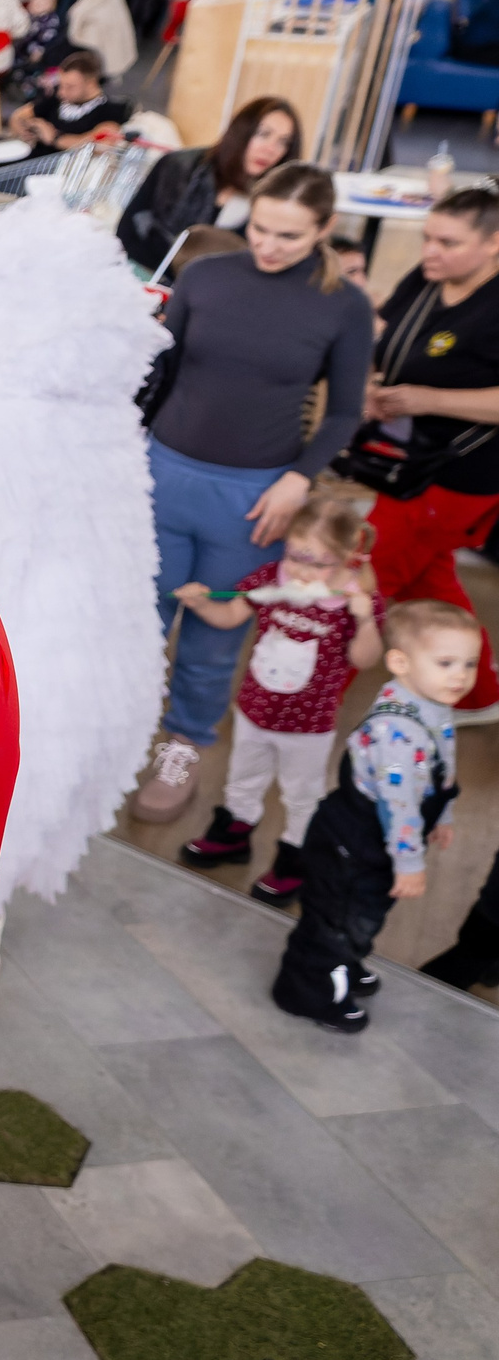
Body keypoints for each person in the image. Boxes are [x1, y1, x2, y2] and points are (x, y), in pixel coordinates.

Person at [133, 163, 376, 821]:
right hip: (161, 474)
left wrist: (297, 479)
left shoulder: (344, 305)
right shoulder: (207, 277)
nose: (268, 245)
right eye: (261, 228)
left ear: (324, 229)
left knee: (214, 635)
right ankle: (114, 738)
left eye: (290, 236)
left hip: (255, 499)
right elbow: (160, 369)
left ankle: (183, 744)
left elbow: (344, 413)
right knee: (134, 622)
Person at [270, 601, 475, 1033]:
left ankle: (346, 956)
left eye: (469, 663)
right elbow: (398, 805)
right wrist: (410, 863)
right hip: (357, 842)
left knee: (363, 912)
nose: (460, 674)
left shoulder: (429, 702)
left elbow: (441, 768)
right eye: (446, 662)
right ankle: (309, 989)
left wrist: (444, 813)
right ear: (400, 662)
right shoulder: (396, 733)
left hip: (376, 841)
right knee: (337, 917)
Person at [344, 186, 499, 724]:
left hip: (459, 473)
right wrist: (368, 385)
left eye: (448, 242)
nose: (430, 251)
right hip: (405, 461)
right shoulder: (428, 278)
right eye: (427, 237)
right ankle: (480, 694)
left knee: (367, 571)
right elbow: (383, 333)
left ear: (494, 244)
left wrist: (430, 399)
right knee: (431, 577)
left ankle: (311, 691)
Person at [171, 494, 383, 886]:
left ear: (346, 558)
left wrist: (366, 623)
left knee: (301, 793)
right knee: (242, 777)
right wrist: (202, 605)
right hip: (255, 710)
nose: (301, 571)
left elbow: (365, 660)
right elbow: (231, 615)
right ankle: (234, 835)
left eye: (316, 562)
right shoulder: (273, 579)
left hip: (308, 726)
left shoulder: (354, 601)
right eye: (295, 556)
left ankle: (295, 856)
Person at [117, 97, 302, 270]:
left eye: (283, 142)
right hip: (143, 278)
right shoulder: (177, 166)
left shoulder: (275, 202)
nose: (270, 149)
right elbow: (128, 231)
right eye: (263, 134)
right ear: (241, 131)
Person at [7, 50, 131, 147]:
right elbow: (18, 116)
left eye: (70, 87)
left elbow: (98, 144)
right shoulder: (56, 100)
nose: (61, 92)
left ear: (91, 83)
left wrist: (54, 138)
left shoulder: (110, 110)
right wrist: (30, 127)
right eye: (61, 85)